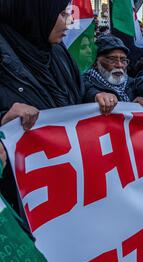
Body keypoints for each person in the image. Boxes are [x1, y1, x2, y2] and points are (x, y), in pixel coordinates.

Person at [0, 0, 107, 214]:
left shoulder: (57, 52)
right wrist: (4, 121)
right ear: (32, 15)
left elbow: (79, 87)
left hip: (67, 191)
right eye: (61, 14)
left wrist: (97, 96)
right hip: (24, 202)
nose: (69, 21)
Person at [83, 35, 143, 112]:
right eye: (112, 59)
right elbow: (87, 91)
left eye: (123, 60)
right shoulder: (83, 82)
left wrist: (134, 106)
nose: (119, 65)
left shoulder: (132, 83)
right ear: (96, 62)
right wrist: (96, 96)